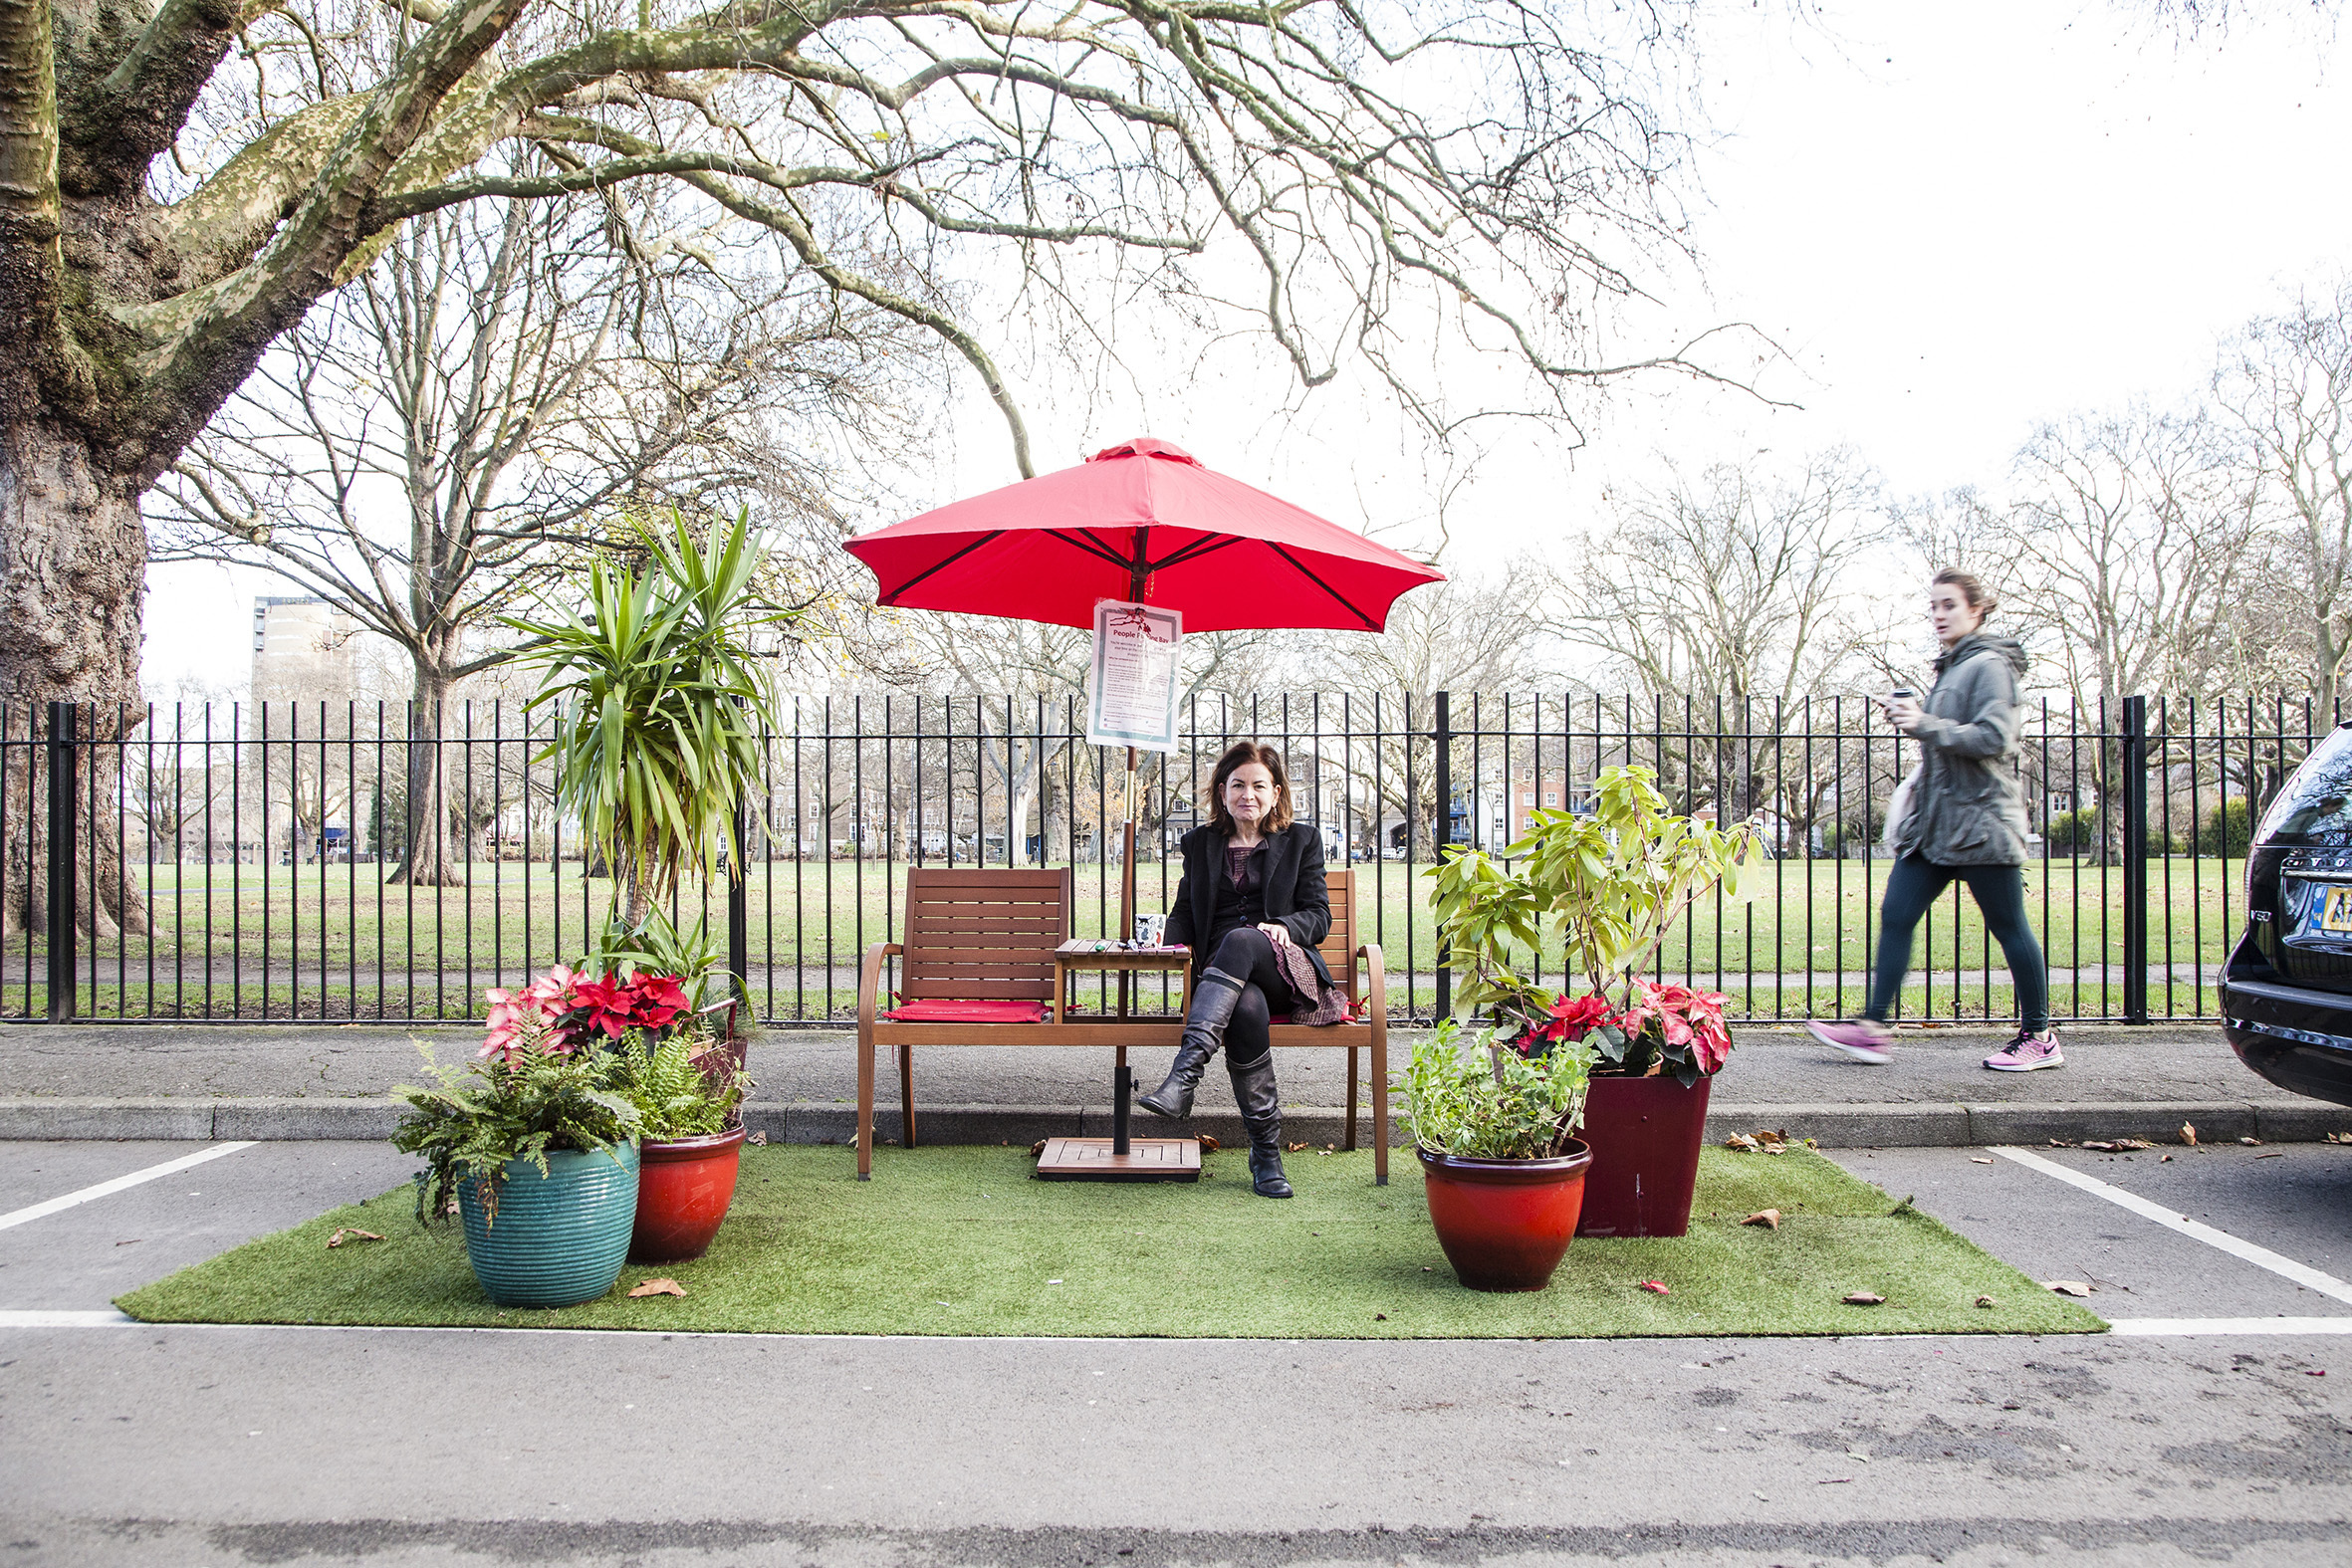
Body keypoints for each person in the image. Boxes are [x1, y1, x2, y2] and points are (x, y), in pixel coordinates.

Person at [1808, 569, 2062, 1071]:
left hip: (1982, 824)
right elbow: (1949, 739)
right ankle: (1872, 1028)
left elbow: (1996, 738)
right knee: (1896, 912)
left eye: (1949, 605)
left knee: (2009, 926)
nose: (1939, 615)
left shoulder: (1989, 665)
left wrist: (1924, 722)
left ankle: (2040, 1036)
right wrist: (1913, 720)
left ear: (1976, 609)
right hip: (1936, 827)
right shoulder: (1953, 668)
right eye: (1934, 607)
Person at [1137, 740, 1333, 1198]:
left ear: (1277, 792)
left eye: (1259, 785)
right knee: (1244, 1008)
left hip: (1284, 968)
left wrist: (1285, 925)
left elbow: (1319, 915)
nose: (1248, 794)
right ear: (1222, 792)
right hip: (1226, 983)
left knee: (1244, 937)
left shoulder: (1302, 841)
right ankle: (1266, 1154)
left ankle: (1184, 1077)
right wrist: (1154, 940)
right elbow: (1185, 914)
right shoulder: (1201, 844)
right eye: (1238, 784)